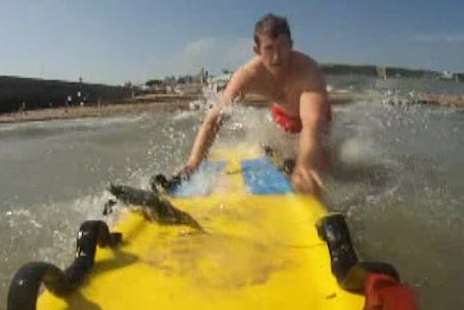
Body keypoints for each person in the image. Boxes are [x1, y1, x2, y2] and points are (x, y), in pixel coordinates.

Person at [181, 13, 331, 195]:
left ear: (291, 45)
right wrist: (193, 162)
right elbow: (214, 119)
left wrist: (306, 166)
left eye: (283, 47)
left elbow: (313, 124)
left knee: (324, 169)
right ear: (257, 50)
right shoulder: (248, 75)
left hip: (317, 120)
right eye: (269, 49)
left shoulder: (308, 70)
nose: (277, 57)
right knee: (285, 155)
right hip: (282, 117)